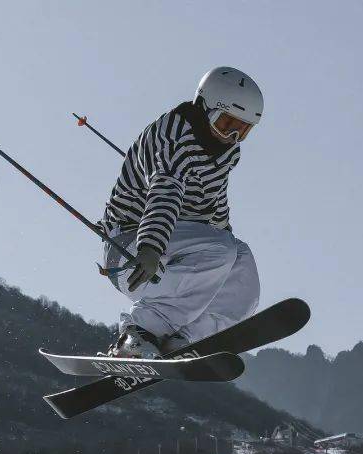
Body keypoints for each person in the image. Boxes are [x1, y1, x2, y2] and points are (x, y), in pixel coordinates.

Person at [101, 67, 263, 358]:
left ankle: (186, 338)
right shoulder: (175, 137)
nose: (232, 137)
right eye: (226, 124)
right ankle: (138, 333)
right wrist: (150, 247)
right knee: (220, 250)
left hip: (176, 248)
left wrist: (224, 254)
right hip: (131, 250)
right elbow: (166, 191)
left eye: (243, 130)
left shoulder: (226, 151)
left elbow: (214, 204)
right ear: (205, 105)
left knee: (240, 261)